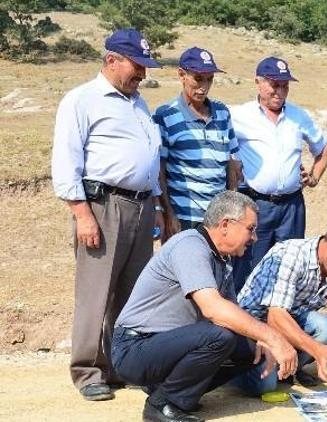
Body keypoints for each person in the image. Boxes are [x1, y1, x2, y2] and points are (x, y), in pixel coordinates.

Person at [111, 191, 298, 422]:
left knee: (250, 349)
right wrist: (273, 337)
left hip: (166, 345)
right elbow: (213, 309)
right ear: (226, 225)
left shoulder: (222, 258)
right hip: (134, 348)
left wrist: (260, 340)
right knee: (220, 336)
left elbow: (232, 313)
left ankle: (173, 391)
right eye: (251, 229)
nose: (255, 238)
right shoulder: (190, 246)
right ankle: (161, 405)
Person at [51, 28, 164, 402]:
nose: (142, 75)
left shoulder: (137, 103)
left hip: (142, 205)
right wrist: (82, 214)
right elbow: (66, 162)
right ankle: (87, 370)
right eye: (137, 66)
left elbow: (148, 157)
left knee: (132, 294)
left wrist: (158, 206)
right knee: (96, 292)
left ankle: (121, 364)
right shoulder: (82, 100)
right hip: (103, 206)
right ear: (112, 59)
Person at [230, 56, 327, 292]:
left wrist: (314, 176)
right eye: (274, 85)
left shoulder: (298, 116)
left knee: (289, 267)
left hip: (292, 207)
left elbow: (324, 147)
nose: (280, 91)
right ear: (258, 82)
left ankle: (282, 322)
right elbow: (224, 148)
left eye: (284, 85)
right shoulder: (239, 116)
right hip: (255, 205)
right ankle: (248, 322)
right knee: (250, 267)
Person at [235, 219, 327, 389]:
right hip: (252, 328)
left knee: (326, 327)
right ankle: (239, 371)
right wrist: (318, 351)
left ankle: (289, 367)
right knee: (265, 386)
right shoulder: (292, 255)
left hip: (288, 322)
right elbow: (276, 316)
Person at [154, 46, 241, 239]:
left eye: (209, 79)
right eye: (198, 79)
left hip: (218, 219)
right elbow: (159, 170)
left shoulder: (222, 113)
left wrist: (232, 208)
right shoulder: (166, 115)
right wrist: (168, 214)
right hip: (183, 218)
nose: (204, 87)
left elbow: (232, 163)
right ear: (181, 75)